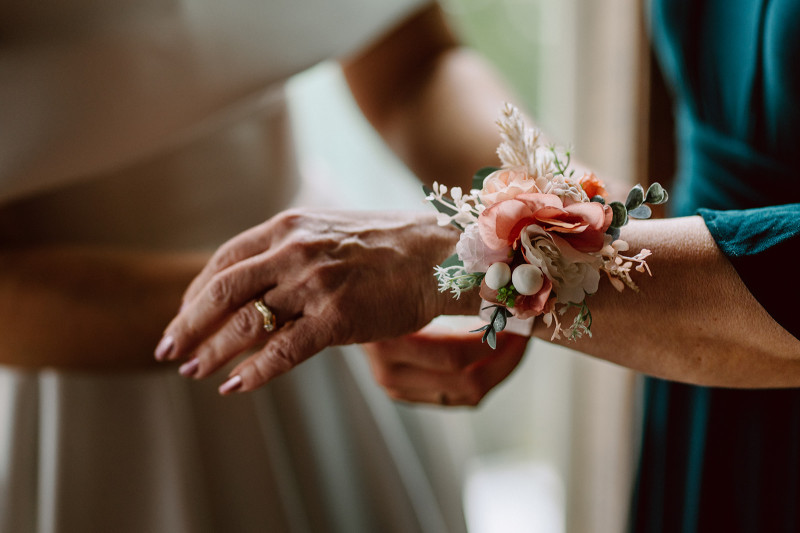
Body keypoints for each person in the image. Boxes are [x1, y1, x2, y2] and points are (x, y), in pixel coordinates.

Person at [160, 0, 800, 531]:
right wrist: (553, 235)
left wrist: (478, 263)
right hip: (700, 341)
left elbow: (408, 61)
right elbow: (411, 66)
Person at [0, 1, 532, 531]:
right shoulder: (328, 288)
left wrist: (542, 202)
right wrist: (304, 295)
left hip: (333, 319)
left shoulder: (336, 282)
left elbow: (411, 63)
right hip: (71, 407)